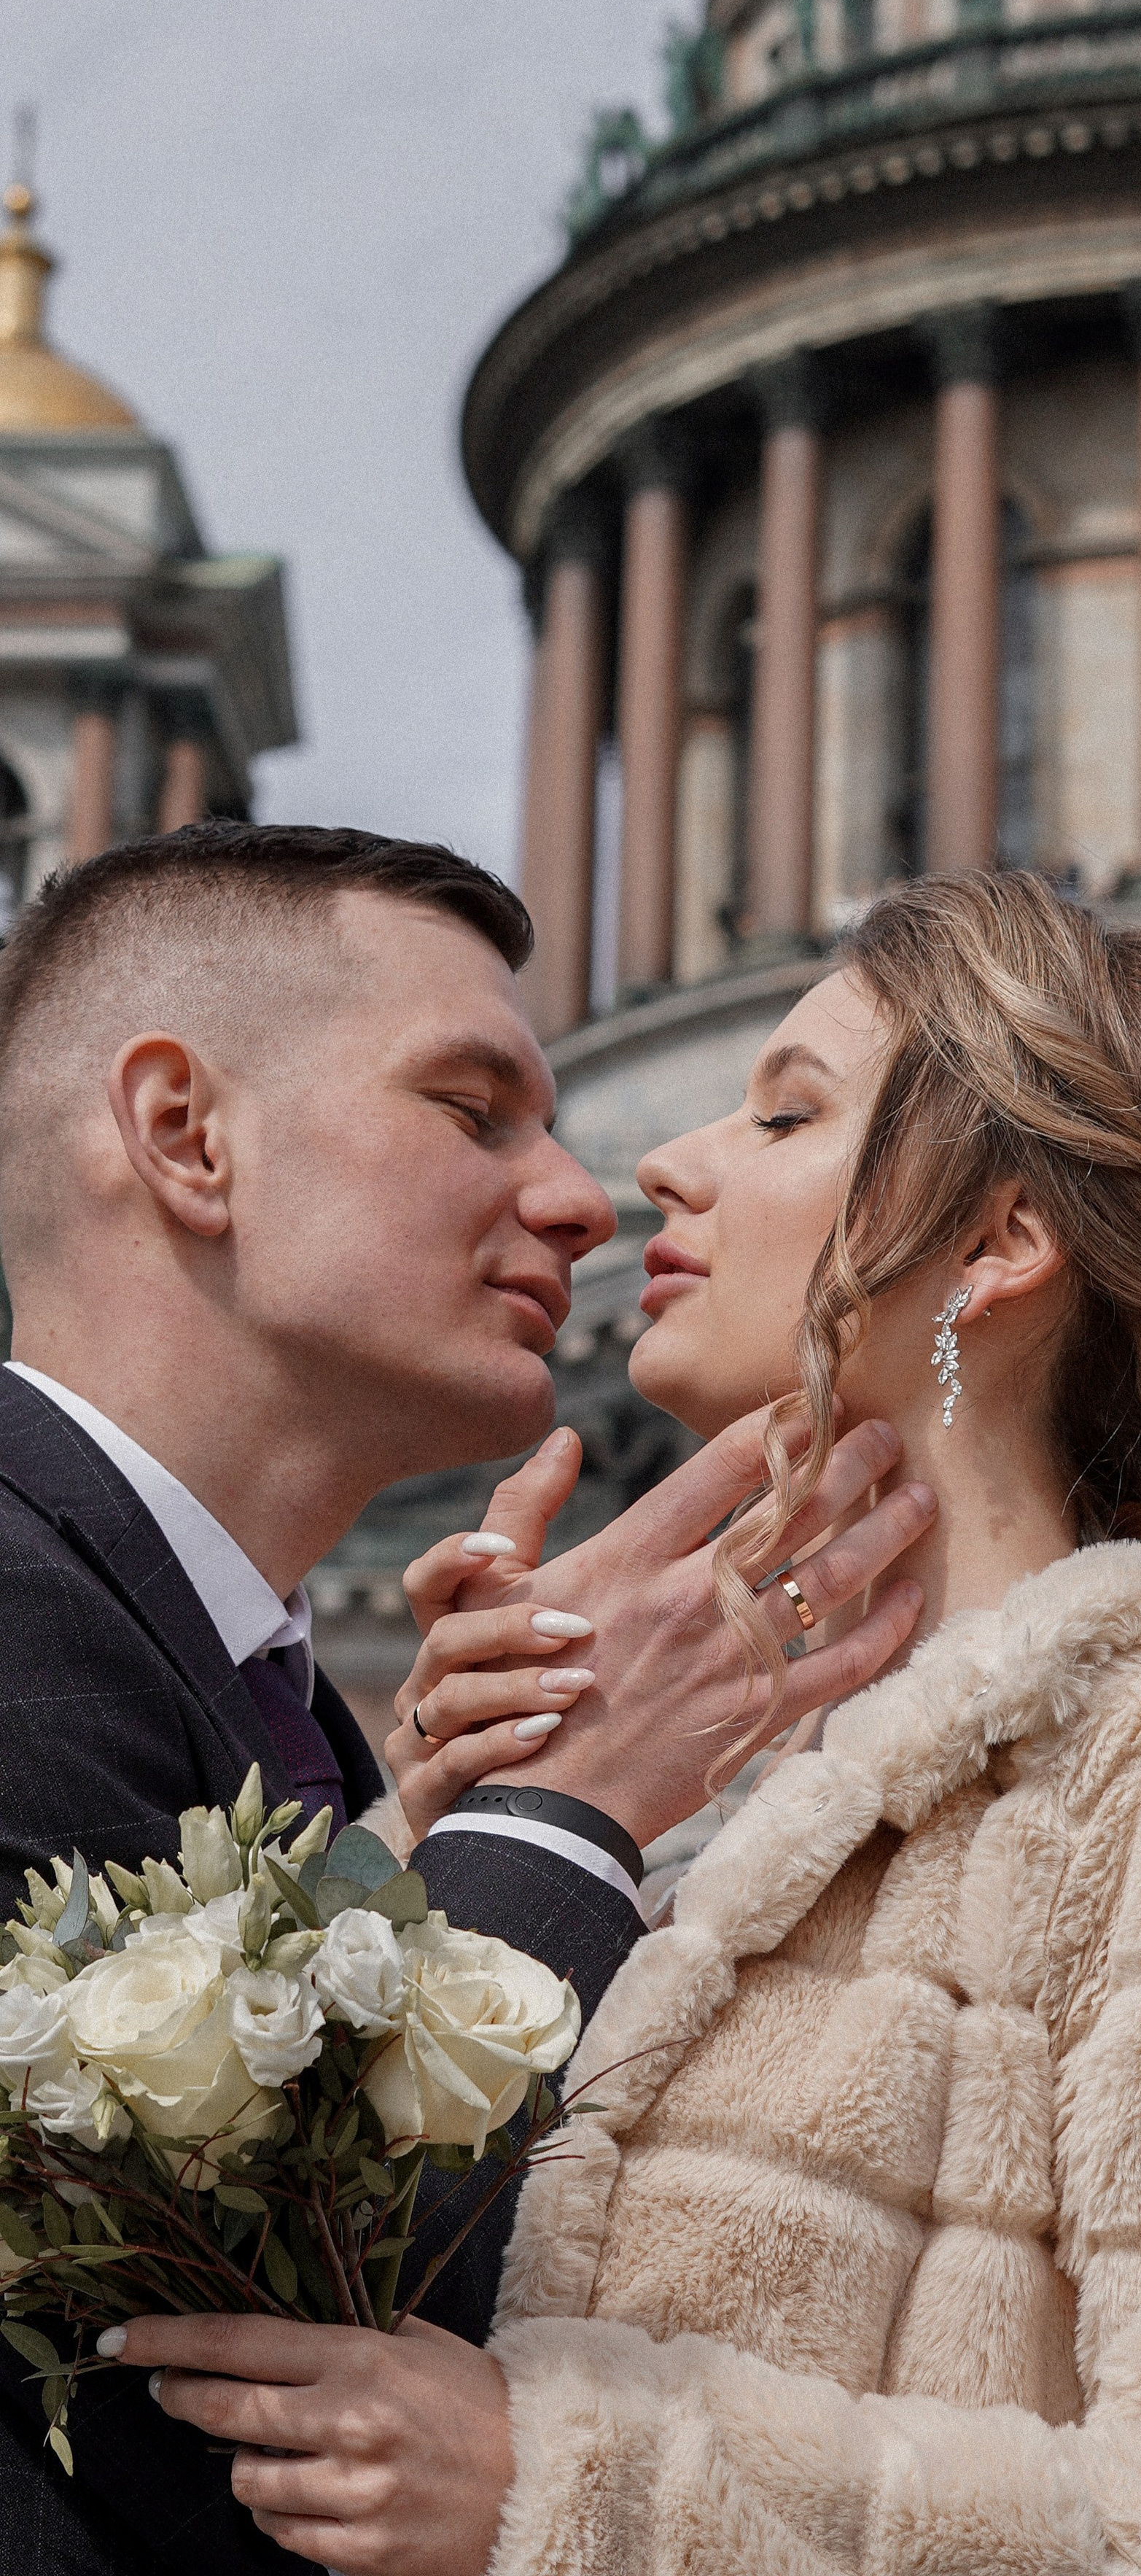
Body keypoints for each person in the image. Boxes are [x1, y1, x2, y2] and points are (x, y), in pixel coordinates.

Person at [120, 872, 1141, 2576]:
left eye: (783, 1112)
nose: (659, 1165)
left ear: (999, 1239)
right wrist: (459, 1826)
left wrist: (576, 2485)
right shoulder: (724, 1788)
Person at [0, 822, 935, 2576]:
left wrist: (425, 1822)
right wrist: (565, 1809)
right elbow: (217, 2409)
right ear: (187, 1137)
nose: (584, 1197)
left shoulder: (265, 1696)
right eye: (472, 1109)